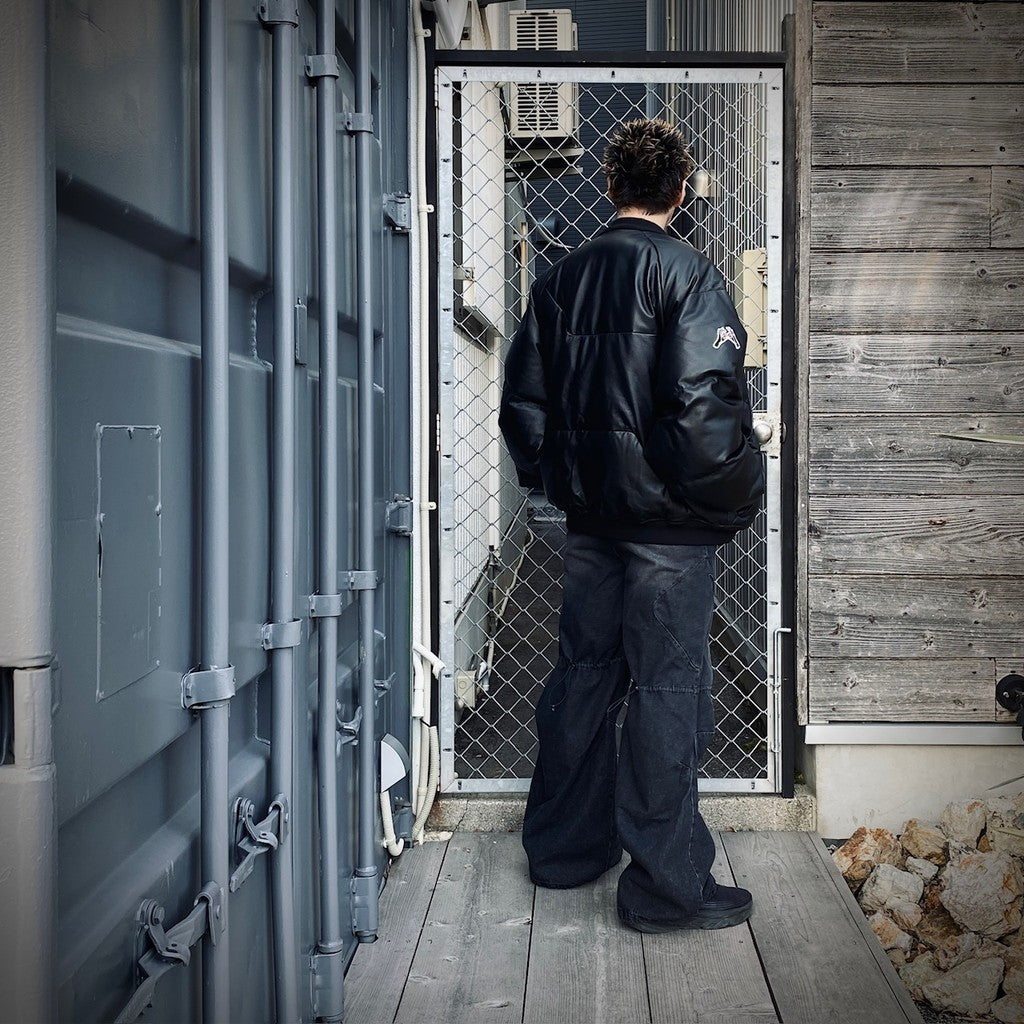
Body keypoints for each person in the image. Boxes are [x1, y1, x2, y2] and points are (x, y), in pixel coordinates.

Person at [498, 117, 766, 934]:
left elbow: (523, 408)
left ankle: (564, 853)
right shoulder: (689, 274)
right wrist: (735, 499)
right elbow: (704, 412)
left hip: (591, 524)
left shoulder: (562, 278)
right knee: (666, 692)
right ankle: (665, 890)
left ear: (611, 186)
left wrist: (566, 483)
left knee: (583, 676)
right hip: (669, 533)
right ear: (680, 191)